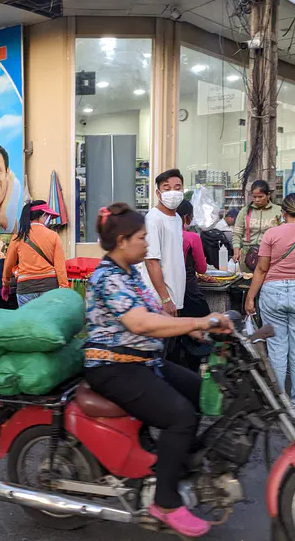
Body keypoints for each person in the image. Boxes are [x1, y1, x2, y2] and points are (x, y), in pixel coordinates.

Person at [84, 203, 233, 538]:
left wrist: (191, 328)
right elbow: (140, 323)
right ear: (122, 241)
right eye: (142, 237)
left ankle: (174, 466)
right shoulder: (107, 278)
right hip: (113, 367)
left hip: (141, 361)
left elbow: (155, 313)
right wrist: (195, 321)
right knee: (179, 415)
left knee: (199, 391)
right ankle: (165, 503)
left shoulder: (129, 273)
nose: (147, 244)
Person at [244, 193, 295, 405]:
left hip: (273, 293)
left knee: (277, 350)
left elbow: (261, 269)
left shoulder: (272, 234)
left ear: (283, 212)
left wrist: (250, 297)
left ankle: (278, 404)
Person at [2, 200, 68, 307]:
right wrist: (64, 287)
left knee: (27, 323)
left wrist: (6, 284)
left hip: (25, 288)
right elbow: (60, 267)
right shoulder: (53, 236)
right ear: (43, 215)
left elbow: (8, 264)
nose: (48, 220)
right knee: (47, 322)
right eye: (48, 217)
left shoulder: (18, 237)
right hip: (49, 288)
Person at [174, 200, 212, 369]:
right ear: (187, 217)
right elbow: (202, 268)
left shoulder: (164, 234)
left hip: (171, 295)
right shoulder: (192, 237)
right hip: (190, 293)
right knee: (205, 334)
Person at [144, 169, 186, 317]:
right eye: (167, 188)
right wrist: (165, 298)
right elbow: (151, 262)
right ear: (158, 193)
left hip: (175, 296)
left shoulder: (178, 218)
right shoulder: (153, 219)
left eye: (178, 187)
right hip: (160, 300)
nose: (173, 192)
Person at [232, 180, 282, 271]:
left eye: (260, 196)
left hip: (270, 255)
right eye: (254, 197)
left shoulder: (278, 211)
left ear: (268, 195)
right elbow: (237, 233)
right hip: (247, 255)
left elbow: (283, 234)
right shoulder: (245, 211)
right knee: (247, 282)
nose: (257, 200)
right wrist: (236, 251)